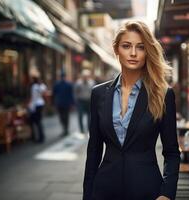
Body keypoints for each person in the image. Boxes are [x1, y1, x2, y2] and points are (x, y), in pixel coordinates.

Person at [83, 21, 180, 200]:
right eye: (126, 46)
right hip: (104, 190)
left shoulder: (163, 94)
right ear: (116, 50)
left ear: (147, 52)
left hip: (147, 190)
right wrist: (87, 194)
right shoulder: (98, 93)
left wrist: (167, 193)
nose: (133, 53)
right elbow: (94, 150)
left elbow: (172, 152)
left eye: (141, 47)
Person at [53, 72, 74, 136]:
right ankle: (65, 129)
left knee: (64, 116)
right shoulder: (58, 84)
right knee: (63, 117)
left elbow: (71, 94)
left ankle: (65, 129)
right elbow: (54, 94)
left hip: (63, 103)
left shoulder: (67, 84)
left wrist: (72, 103)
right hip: (62, 103)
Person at [74, 69, 95, 133]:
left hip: (89, 101)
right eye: (84, 76)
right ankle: (81, 130)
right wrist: (76, 100)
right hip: (81, 101)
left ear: (89, 76)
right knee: (80, 116)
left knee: (90, 116)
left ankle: (89, 129)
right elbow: (75, 92)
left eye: (87, 76)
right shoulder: (78, 83)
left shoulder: (92, 82)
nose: (85, 77)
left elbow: (94, 92)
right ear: (82, 76)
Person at [28, 75, 47, 143]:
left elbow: (33, 98)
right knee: (38, 121)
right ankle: (40, 136)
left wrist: (30, 106)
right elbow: (44, 91)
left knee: (36, 121)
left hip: (36, 105)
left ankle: (39, 137)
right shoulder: (41, 86)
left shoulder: (34, 87)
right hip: (41, 103)